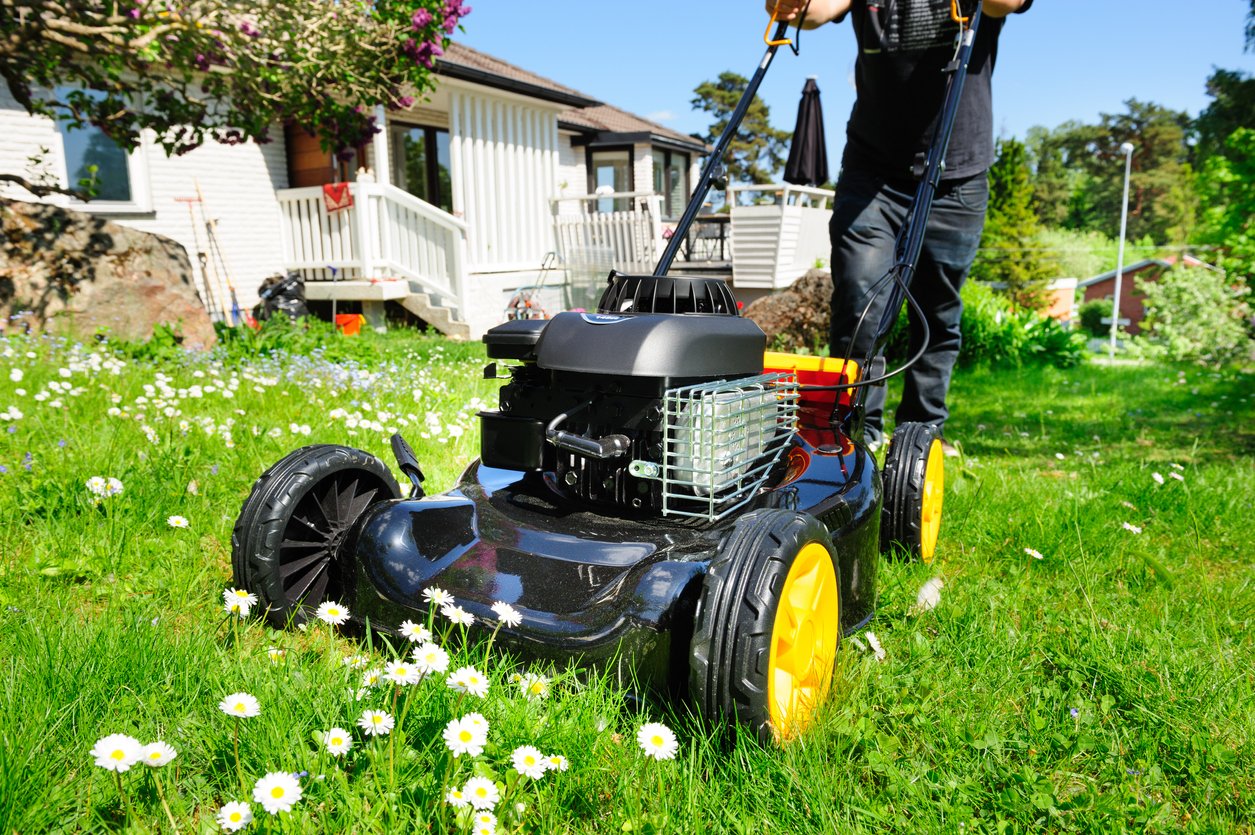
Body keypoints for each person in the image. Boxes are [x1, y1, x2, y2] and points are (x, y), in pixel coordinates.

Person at [769, 0, 1031, 455]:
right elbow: (812, 12)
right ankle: (855, 430)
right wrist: (791, 6)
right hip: (875, 169)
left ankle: (924, 434)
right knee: (860, 300)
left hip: (957, 172)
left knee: (937, 309)